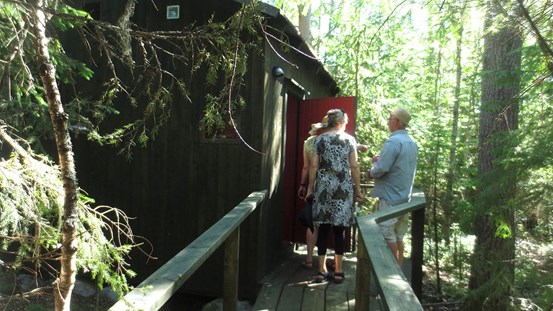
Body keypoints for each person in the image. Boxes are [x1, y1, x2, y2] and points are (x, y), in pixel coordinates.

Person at [306, 109, 363, 284]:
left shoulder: (320, 139)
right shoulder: (349, 139)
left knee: (323, 228)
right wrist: (358, 189)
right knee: (339, 230)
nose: (346, 124)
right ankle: (338, 270)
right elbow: (354, 166)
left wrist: (310, 187)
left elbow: (313, 166)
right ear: (340, 122)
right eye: (345, 121)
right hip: (343, 189)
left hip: (323, 188)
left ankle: (321, 270)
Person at [369, 107, 418, 266]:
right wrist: (379, 161)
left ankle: (390, 274)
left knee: (386, 233)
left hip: (390, 197)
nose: (388, 121)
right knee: (399, 235)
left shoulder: (393, 141)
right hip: (404, 197)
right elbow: (398, 165)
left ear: (397, 122)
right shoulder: (411, 142)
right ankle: (400, 274)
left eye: (390, 118)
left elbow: (382, 169)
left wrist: (372, 169)